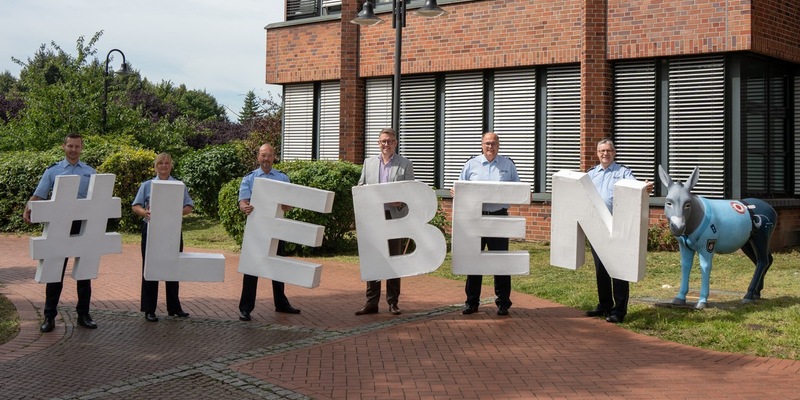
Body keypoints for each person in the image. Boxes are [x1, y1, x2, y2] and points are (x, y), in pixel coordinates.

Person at [23, 133, 99, 332]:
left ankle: (84, 314)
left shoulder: (91, 172)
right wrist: (28, 207)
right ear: (63, 147)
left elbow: (97, 200)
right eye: (70, 146)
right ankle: (49, 317)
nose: (73, 150)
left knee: (84, 272)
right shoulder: (53, 171)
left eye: (77, 146)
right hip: (59, 226)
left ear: (82, 148)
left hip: (82, 225)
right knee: (55, 271)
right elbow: (39, 194)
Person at [451, 132, 520, 316]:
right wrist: (455, 191)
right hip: (476, 217)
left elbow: (517, 189)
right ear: (482, 145)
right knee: (474, 261)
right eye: (487, 143)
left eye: (494, 143)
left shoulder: (508, 164)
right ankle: (471, 302)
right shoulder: (471, 164)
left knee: (500, 261)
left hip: (498, 218)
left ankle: (503, 303)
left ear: (499, 145)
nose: (490, 147)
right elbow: (460, 187)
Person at [585, 138, 653, 323]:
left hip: (616, 227)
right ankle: (604, 305)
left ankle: (619, 310)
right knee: (601, 269)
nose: (605, 154)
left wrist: (644, 187)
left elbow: (635, 187)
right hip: (597, 228)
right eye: (602, 151)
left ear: (614, 153)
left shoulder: (623, 172)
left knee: (618, 270)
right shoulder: (591, 174)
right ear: (597, 153)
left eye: (608, 151)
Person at [354, 128, 415, 316]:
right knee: (374, 259)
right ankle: (371, 302)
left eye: (389, 141)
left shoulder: (405, 164)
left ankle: (392, 302)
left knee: (394, 260)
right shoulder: (369, 163)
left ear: (395, 143)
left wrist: (401, 200)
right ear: (378, 143)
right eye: (383, 141)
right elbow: (362, 184)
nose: (386, 145)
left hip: (394, 217)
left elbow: (410, 192)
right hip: (374, 217)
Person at [237, 143, 301, 321]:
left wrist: (288, 204)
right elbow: (243, 200)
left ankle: (281, 304)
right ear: (258, 157)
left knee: (278, 267)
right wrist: (245, 207)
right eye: (263, 155)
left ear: (274, 157)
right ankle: (245, 308)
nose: (266, 159)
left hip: (277, 229)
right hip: (256, 230)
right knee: (251, 270)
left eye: (269, 155)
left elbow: (288, 204)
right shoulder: (249, 178)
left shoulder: (282, 178)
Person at [131, 153, 193, 322]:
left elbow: (189, 206)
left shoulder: (179, 185)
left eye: (167, 163)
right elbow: (135, 205)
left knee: (173, 267)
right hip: (151, 230)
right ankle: (149, 309)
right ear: (155, 166)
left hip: (172, 231)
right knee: (150, 268)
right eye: (160, 163)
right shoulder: (147, 185)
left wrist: (176, 212)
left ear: (171, 166)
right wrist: (145, 212)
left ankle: (174, 308)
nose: (164, 166)